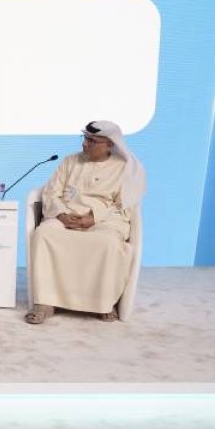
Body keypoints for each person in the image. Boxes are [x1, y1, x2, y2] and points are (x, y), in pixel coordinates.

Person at [25, 120, 145, 324]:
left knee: (108, 243)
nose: (85, 144)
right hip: (66, 216)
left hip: (104, 221)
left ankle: (102, 303)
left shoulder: (123, 168)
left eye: (92, 141)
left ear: (109, 144)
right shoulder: (70, 162)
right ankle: (45, 302)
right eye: (85, 138)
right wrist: (62, 214)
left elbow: (124, 205)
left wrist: (94, 218)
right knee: (44, 234)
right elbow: (51, 192)